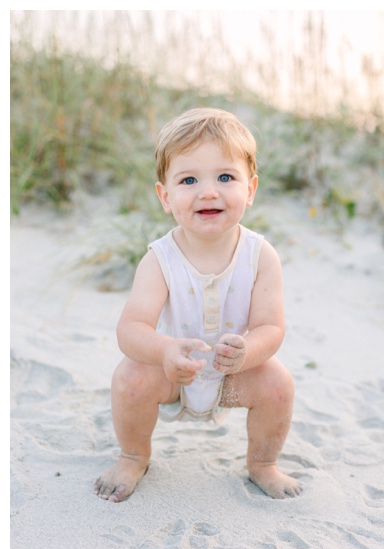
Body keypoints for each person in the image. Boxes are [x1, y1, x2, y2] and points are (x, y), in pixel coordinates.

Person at [94, 107, 300, 503]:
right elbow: (131, 328)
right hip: (172, 373)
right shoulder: (160, 259)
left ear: (251, 189)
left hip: (233, 373)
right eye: (189, 179)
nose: (209, 191)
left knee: (278, 385)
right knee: (130, 378)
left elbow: (271, 327)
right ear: (165, 197)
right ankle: (133, 456)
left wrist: (248, 351)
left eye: (226, 177)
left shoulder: (261, 255)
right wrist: (164, 350)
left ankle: (262, 464)